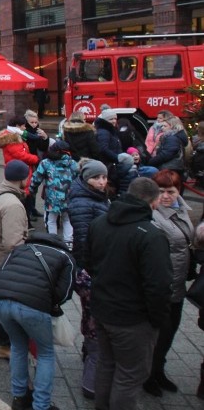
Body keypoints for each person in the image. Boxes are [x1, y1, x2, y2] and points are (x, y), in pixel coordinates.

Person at [86, 177, 172, 410]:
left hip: (103, 310)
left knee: (107, 364)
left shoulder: (100, 222)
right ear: (153, 203)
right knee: (130, 374)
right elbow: (159, 285)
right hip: (133, 319)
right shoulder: (151, 236)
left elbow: (89, 262)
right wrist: (156, 319)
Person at [0, 233, 76, 410]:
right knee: (45, 353)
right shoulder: (65, 257)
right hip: (33, 306)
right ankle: (41, 405)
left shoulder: (20, 249)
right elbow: (65, 293)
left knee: (17, 346)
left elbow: (2, 272)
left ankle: (19, 398)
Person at [143, 170, 194, 397]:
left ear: (179, 191)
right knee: (158, 335)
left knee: (170, 332)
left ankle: (159, 371)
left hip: (179, 283)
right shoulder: (152, 215)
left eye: (171, 191)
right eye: (161, 191)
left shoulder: (182, 209)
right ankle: (148, 375)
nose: (166, 196)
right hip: (162, 285)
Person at [67, 159, 110, 399]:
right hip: (90, 269)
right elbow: (83, 239)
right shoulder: (83, 201)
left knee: (90, 316)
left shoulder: (95, 197)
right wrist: (90, 268)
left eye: (104, 177)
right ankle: (91, 378)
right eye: (97, 178)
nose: (102, 182)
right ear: (86, 179)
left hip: (93, 266)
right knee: (93, 317)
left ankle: (89, 352)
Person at [0, 159, 31, 360]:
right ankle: (5, 344)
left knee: (5, 297)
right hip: (9, 260)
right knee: (10, 301)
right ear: (23, 179)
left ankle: (4, 343)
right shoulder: (13, 204)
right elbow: (13, 243)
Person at [29, 141, 79, 248]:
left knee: (51, 220)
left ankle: (53, 242)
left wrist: (31, 190)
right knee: (67, 219)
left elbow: (36, 178)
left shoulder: (46, 163)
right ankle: (69, 242)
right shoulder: (73, 164)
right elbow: (78, 179)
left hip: (52, 199)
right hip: (69, 198)